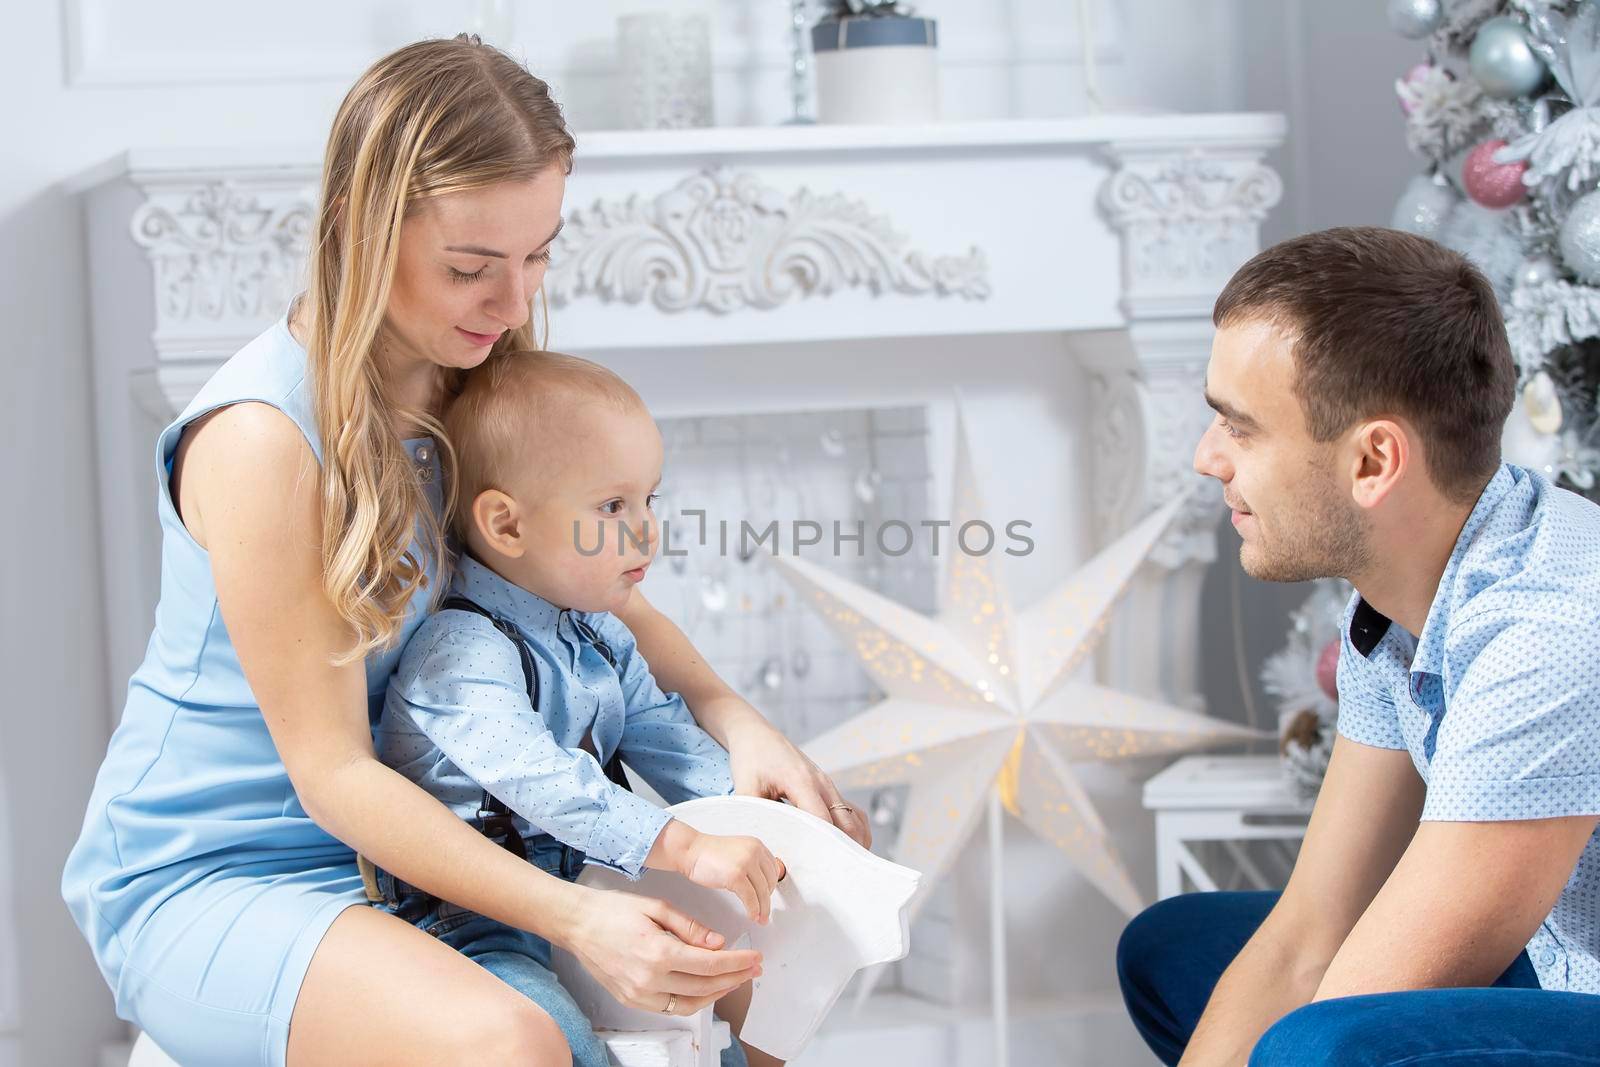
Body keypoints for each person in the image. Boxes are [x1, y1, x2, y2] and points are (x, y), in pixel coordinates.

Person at [62, 36, 866, 1067]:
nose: (514, 301)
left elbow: (587, 591)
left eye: (538, 255)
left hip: (435, 858)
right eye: (471, 267)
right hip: (231, 871)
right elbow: (333, 775)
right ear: (358, 227)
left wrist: (735, 717)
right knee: (508, 1041)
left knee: (798, 914)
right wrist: (578, 918)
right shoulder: (264, 439)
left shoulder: (472, 387)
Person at [1117, 225, 1600, 1066]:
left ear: (1374, 460)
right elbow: (1315, 926)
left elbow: (1361, 998)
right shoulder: (1398, 597)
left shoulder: (1552, 631)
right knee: (1176, 947)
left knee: (1321, 1048)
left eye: (1241, 427)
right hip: (1558, 971)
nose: (1206, 459)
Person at [373, 349, 786, 1066]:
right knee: (556, 1035)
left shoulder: (600, 637)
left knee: (741, 973)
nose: (646, 528)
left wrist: (775, 827)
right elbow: (544, 779)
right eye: (612, 506)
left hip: (585, 895)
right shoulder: (460, 647)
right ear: (506, 525)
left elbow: (670, 739)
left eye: (649, 499)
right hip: (471, 921)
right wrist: (686, 847)